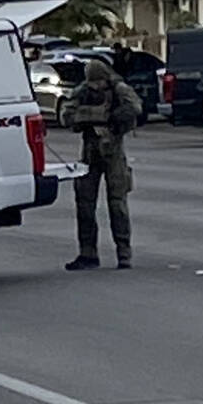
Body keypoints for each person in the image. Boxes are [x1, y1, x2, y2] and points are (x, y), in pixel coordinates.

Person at [66, 59, 143, 271]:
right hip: (91, 150)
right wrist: (88, 118)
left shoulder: (119, 89)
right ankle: (87, 253)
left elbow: (135, 107)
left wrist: (111, 120)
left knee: (117, 203)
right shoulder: (83, 91)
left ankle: (124, 253)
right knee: (84, 203)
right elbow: (67, 115)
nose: (94, 87)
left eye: (98, 82)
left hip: (113, 150)